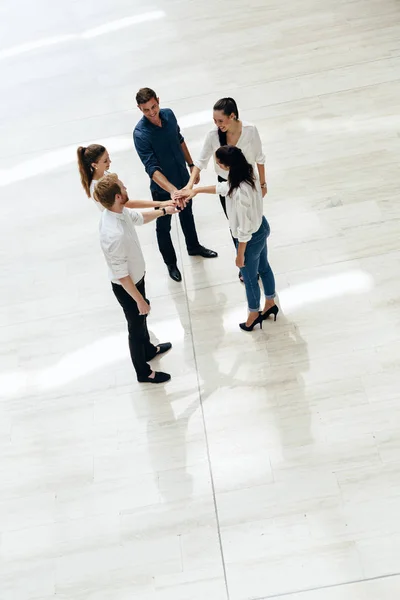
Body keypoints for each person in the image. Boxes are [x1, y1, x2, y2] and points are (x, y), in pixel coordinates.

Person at [178, 146, 278, 331]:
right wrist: (196, 191)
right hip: (262, 226)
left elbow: (244, 231)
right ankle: (271, 302)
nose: (217, 166)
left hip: (250, 238)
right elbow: (225, 188)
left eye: (218, 163)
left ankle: (254, 314)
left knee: (249, 278)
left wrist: (240, 255)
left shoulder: (239, 193)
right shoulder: (247, 172)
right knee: (264, 267)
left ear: (226, 165)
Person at [94, 173, 178, 384]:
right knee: (136, 326)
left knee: (142, 321)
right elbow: (121, 275)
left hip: (136, 278)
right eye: (122, 187)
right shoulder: (113, 234)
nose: (126, 188)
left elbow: (140, 218)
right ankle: (143, 372)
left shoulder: (119, 212)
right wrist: (139, 300)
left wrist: (165, 210)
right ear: (117, 197)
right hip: (128, 288)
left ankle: (149, 350)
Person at [133, 87, 218, 282]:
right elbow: (152, 169)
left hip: (182, 179)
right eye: (146, 110)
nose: (152, 112)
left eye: (154, 106)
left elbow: (180, 140)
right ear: (140, 109)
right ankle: (171, 263)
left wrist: (191, 165)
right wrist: (172, 191)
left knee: (187, 214)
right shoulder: (140, 134)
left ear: (158, 101)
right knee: (164, 225)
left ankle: (193, 246)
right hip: (162, 190)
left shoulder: (169, 115)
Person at [185, 97, 267, 281]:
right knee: (236, 226)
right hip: (226, 187)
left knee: (254, 220)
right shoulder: (213, 136)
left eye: (220, 120)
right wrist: (190, 186)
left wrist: (263, 184)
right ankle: (244, 262)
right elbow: (201, 161)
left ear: (233, 116)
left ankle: (258, 259)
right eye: (215, 121)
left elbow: (260, 158)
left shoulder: (250, 130)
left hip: (249, 182)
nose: (217, 124)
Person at [77, 144, 175, 211]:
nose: (110, 162)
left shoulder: (106, 174)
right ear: (94, 165)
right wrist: (161, 204)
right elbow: (127, 204)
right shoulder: (96, 188)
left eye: (109, 158)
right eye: (105, 161)